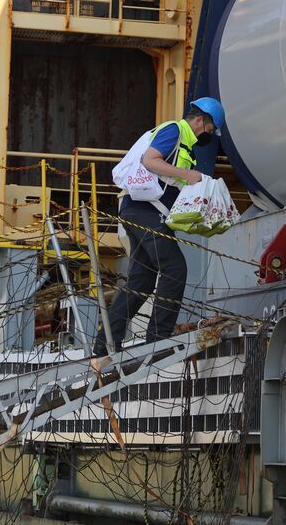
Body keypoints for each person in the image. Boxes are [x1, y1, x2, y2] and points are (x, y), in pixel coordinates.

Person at [92, 98, 226, 370]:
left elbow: (170, 183)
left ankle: (105, 346)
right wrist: (188, 174)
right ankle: (158, 340)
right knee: (174, 268)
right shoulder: (174, 131)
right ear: (200, 120)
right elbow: (150, 160)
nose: (209, 135)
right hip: (144, 211)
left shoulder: (185, 144)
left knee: (141, 281)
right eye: (210, 130)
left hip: (143, 211)